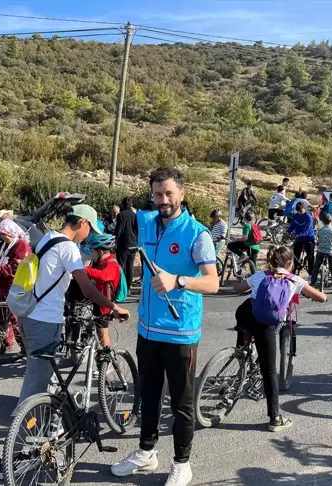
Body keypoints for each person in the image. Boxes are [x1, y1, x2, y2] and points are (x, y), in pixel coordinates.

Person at [0, 204, 130, 480]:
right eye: (88, 230)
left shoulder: (47, 239)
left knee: (43, 379)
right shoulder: (68, 248)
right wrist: (113, 307)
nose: (88, 236)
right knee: (35, 385)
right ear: (81, 222)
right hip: (45, 320)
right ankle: (15, 457)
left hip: (29, 315)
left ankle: (46, 432)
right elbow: (86, 287)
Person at [111, 167, 219, 486]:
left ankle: (182, 463)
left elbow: (213, 282)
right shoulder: (146, 223)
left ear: (182, 194)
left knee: (182, 403)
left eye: (169, 193)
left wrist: (179, 280)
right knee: (148, 395)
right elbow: (116, 225)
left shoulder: (197, 233)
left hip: (180, 332)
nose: (164, 200)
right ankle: (146, 452)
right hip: (147, 330)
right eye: (158, 194)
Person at [234, 245, 326, 431]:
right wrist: (317, 295)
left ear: (271, 261)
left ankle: (241, 349)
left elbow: (238, 288)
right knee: (269, 370)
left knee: (244, 320)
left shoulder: (262, 275)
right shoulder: (295, 280)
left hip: (246, 314)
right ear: (290, 263)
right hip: (267, 323)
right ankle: (275, 418)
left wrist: (250, 288)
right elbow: (321, 298)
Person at [0, 219, 32, 350]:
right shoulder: (5, 244)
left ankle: (25, 346)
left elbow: (17, 267)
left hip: (16, 286)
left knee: (14, 318)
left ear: (11, 233)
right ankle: (5, 343)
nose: (2, 237)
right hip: (3, 286)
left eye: (4, 234)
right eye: (1, 234)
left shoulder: (21, 246)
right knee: (1, 315)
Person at [82, 233, 122, 347]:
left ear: (100, 252)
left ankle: (106, 359)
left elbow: (104, 275)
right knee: (93, 325)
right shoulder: (100, 262)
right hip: (97, 300)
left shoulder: (112, 262)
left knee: (102, 331)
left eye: (92, 252)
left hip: (105, 304)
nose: (91, 255)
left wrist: (85, 270)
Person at [311, 212, 332, 294]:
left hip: (321, 251)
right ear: (331, 221)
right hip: (331, 252)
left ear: (322, 221)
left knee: (316, 267)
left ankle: (313, 284)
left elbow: (317, 240)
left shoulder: (320, 230)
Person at [115, 197, 138, 287]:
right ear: (131, 205)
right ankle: (128, 286)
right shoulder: (135, 215)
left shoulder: (121, 215)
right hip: (133, 243)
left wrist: (115, 240)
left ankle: (121, 286)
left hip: (123, 244)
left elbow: (118, 230)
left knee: (121, 265)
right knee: (130, 265)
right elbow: (136, 229)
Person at [288, 202, 316, 275]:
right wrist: (288, 232)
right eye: (298, 211)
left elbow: (306, 230)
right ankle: (293, 273)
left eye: (300, 211)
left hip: (308, 238)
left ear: (304, 209)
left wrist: (297, 235)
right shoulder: (296, 216)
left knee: (310, 256)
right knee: (295, 255)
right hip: (299, 239)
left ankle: (311, 273)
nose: (299, 212)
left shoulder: (308, 217)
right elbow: (292, 225)